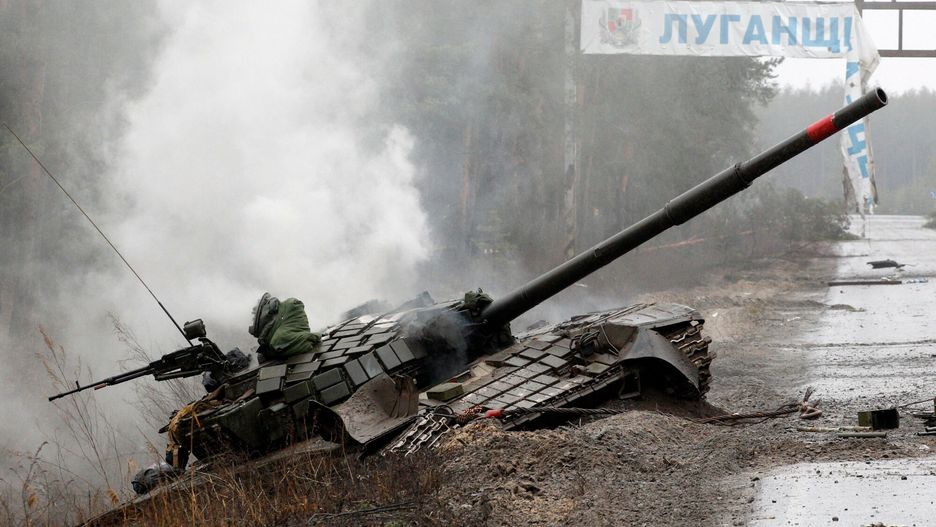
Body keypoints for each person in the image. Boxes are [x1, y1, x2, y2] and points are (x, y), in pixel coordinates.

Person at [248, 292, 321, 359]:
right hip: (288, 319)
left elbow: (306, 344)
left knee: (277, 342)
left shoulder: (279, 338)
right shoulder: (280, 311)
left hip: (288, 320)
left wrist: (267, 353)